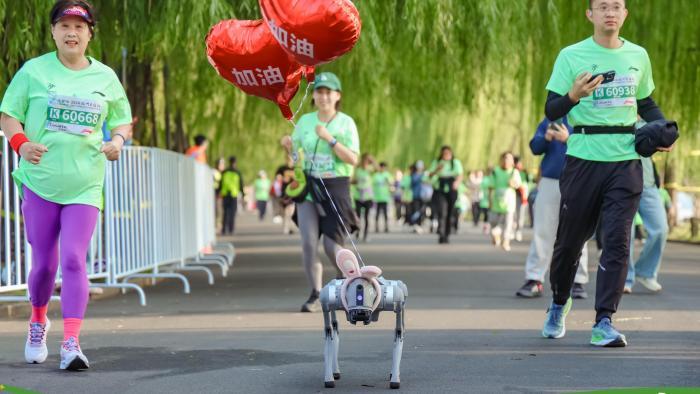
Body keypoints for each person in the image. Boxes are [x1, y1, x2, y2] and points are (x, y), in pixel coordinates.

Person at [0, 0, 132, 370]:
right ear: (53, 32)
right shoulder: (33, 72)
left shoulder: (105, 77)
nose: (71, 33)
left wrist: (118, 142)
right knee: (44, 265)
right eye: (64, 26)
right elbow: (9, 114)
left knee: (74, 258)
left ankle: (71, 342)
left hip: (85, 185)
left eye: (79, 27)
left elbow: (122, 119)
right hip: (40, 183)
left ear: (90, 33)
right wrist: (22, 144)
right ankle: (38, 320)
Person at [542, 0, 671, 347]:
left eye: (616, 6)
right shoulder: (571, 55)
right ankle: (558, 303)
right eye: (603, 7)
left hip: (626, 161)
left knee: (617, 240)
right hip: (583, 159)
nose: (610, 12)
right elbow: (552, 108)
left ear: (625, 14)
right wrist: (573, 95)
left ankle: (604, 321)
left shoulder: (638, 56)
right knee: (569, 244)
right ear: (591, 14)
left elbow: (645, 104)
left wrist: (662, 130)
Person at [280, 72, 359, 312]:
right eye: (319, 91)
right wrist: (289, 148)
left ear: (337, 96)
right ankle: (315, 293)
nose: (323, 96)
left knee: (331, 245)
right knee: (308, 242)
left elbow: (353, 159)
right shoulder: (304, 121)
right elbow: (295, 160)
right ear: (313, 96)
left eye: (328, 92)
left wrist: (331, 140)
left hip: (336, 185)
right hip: (309, 187)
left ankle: (347, 283)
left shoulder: (346, 123)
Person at [516, 117, 590, 299]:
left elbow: (595, 146)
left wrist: (569, 138)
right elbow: (535, 147)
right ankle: (534, 279)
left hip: (579, 179)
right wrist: (547, 137)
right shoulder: (552, 118)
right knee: (542, 231)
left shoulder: (588, 114)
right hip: (550, 180)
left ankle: (577, 280)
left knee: (579, 231)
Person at [624, 155, 668, 293]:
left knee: (661, 229)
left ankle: (645, 272)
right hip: (623, 182)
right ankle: (624, 278)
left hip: (649, 183)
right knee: (625, 234)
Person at [427, 146, 464, 244]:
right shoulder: (437, 162)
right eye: (444, 153)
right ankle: (441, 233)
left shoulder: (455, 162)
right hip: (440, 188)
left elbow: (460, 174)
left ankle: (447, 233)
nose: (446, 155)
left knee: (450, 212)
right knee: (442, 211)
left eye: (448, 153)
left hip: (451, 187)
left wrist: (457, 182)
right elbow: (429, 175)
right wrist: (436, 170)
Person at [488, 152, 521, 251]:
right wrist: (489, 199)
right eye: (505, 158)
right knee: (493, 221)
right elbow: (490, 186)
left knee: (508, 223)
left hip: (509, 202)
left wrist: (513, 183)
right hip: (496, 201)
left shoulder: (514, 172)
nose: (506, 161)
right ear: (501, 160)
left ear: (512, 162)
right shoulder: (496, 171)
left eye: (509, 159)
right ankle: (496, 234)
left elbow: (517, 184)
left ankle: (506, 241)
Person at [219, 156, 244, 235]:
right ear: (235, 162)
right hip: (233, 194)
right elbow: (241, 184)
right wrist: (242, 194)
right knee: (232, 212)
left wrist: (219, 191)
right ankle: (231, 229)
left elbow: (220, 182)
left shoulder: (224, 172)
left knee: (225, 212)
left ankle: (224, 229)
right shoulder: (237, 172)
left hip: (225, 193)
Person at [353, 153, 374, 242]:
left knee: (366, 216)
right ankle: (358, 231)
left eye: (367, 161)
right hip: (358, 196)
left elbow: (378, 169)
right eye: (364, 161)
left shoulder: (370, 170)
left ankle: (366, 234)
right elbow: (353, 180)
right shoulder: (357, 170)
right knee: (358, 216)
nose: (365, 163)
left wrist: (372, 159)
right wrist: (353, 182)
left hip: (368, 197)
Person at [372, 162, 392, 233]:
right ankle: (376, 227)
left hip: (385, 197)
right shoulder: (375, 175)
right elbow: (371, 185)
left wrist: (388, 182)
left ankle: (386, 227)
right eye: (382, 167)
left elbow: (391, 184)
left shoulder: (387, 175)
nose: (383, 168)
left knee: (385, 213)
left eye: (384, 167)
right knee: (377, 213)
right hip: (377, 197)